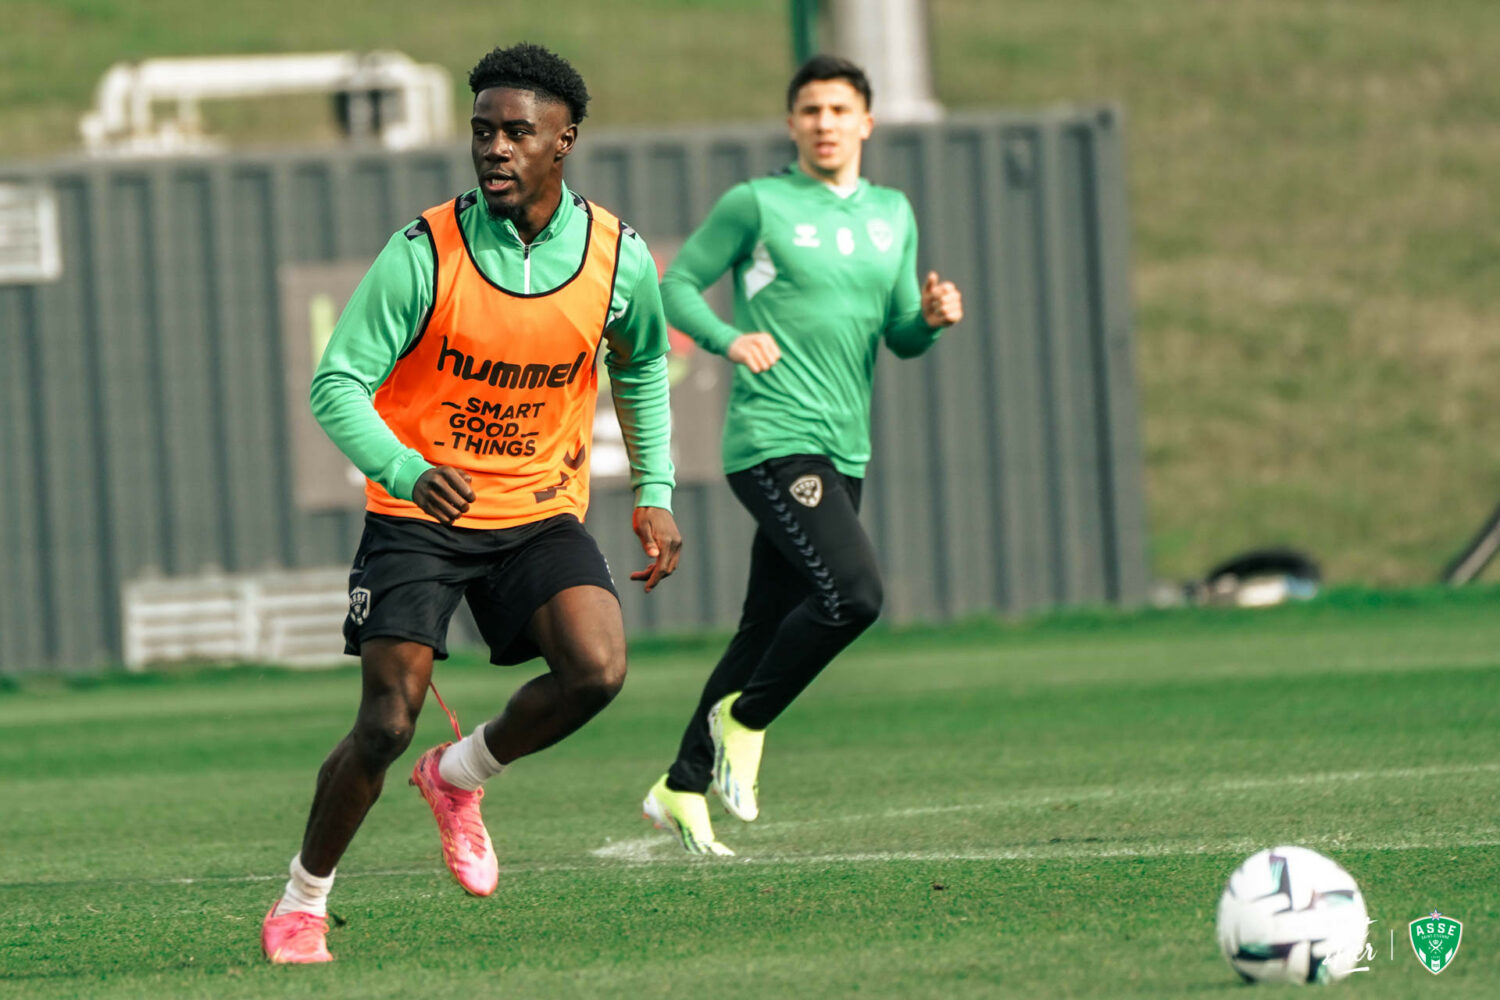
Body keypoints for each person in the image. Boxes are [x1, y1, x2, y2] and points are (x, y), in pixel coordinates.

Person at [261, 42, 682, 963]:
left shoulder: (619, 257)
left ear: (563, 141)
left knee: (598, 670)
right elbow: (336, 383)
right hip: (421, 515)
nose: (494, 148)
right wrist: (407, 469)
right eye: (482, 130)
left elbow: (643, 364)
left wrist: (653, 490)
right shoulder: (424, 252)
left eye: (517, 132)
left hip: (536, 509)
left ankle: (458, 778)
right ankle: (303, 900)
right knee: (383, 723)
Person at [641, 55, 963, 855]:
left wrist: (929, 320)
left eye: (838, 109)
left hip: (844, 447)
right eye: (810, 109)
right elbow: (676, 284)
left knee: (763, 630)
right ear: (791, 125)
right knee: (854, 596)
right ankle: (743, 720)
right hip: (774, 440)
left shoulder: (893, 212)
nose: (824, 122)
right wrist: (725, 336)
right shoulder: (759, 202)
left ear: (866, 123)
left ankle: (680, 786)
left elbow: (900, 336)